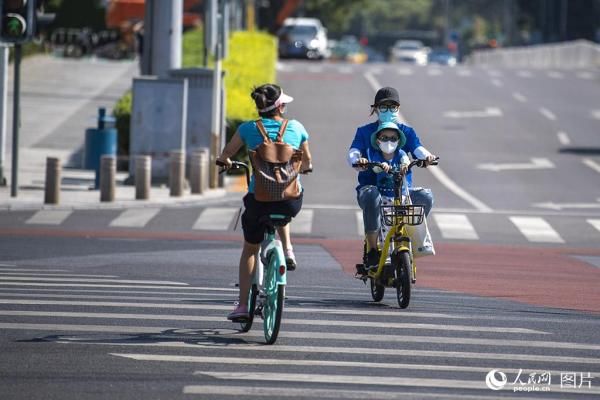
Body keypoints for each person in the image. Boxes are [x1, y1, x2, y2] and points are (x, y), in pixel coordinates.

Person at [216, 83, 312, 321]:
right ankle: (288, 248)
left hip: (258, 199)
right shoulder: (297, 127)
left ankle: (241, 306)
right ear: (279, 106)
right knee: (284, 201)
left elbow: (226, 154)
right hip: (289, 202)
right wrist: (305, 168)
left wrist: (225, 161)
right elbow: (308, 161)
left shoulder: (248, 129)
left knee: (250, 249)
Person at [348, 87, 437, 268]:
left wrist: (428, 157)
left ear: (398, 108)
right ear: (375, 109)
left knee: (425, 197)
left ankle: (411, 238)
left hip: (401, 190)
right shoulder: (365, 132)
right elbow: (353, 151)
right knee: (373, 197)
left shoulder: (406, 131)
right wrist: (358, 160)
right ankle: (373, 250)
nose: (388, 111)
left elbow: (418, 149)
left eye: (393, 107)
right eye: (383, 107)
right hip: (371, 188)